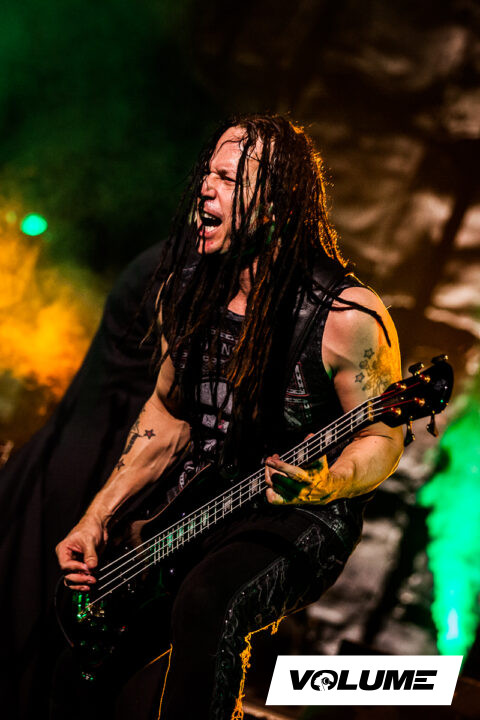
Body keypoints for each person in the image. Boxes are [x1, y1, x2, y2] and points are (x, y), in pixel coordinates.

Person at [54, 114, 403, 719]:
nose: (205, 188)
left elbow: (382, 434)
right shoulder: (187, 291)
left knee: (207, 601)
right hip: (205, 502)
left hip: (304, 516)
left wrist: (327, 482)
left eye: (228, 178)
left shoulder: (346, 316)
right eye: (207, 173)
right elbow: (168, 414)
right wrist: (97, 517)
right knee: (83, 673)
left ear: (275, 204)